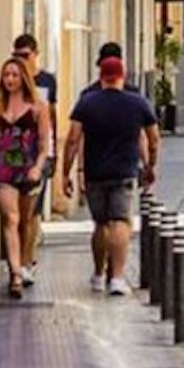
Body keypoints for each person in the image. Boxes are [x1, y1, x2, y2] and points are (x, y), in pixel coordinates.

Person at [63, 53, 160, 297]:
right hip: (124, 172)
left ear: (101, 77)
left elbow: (73, 139)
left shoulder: (87, 102)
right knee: (119, 222)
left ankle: (98, 273)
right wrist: (151, 166)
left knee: (100, 224)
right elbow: (153, 138)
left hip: (94, 173)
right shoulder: (137, 102)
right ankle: (116, 278)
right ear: (122, 76)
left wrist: (66, 172)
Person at [0, 57, 50, 300]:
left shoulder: (38, 107)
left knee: (25, 221)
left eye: (14, 74)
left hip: (27, 168)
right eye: (6, 75)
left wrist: (38, 167)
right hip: (1, 168)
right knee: (10, 218)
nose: (10, 79)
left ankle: (22, 264)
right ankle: (15, 275)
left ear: (23, 77)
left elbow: (44, 145)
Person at [12, 33, 57, 286]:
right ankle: (19, 262)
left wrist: (53, 154)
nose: (20, 61)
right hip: (14, 157)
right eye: (16, 56)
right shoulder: (11, 80)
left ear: (35, 55)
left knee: (30, 213)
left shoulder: (46, 81)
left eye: (25, 56)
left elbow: (52, 116)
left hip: (39, 156)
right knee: (15, 215)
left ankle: (26, 262)